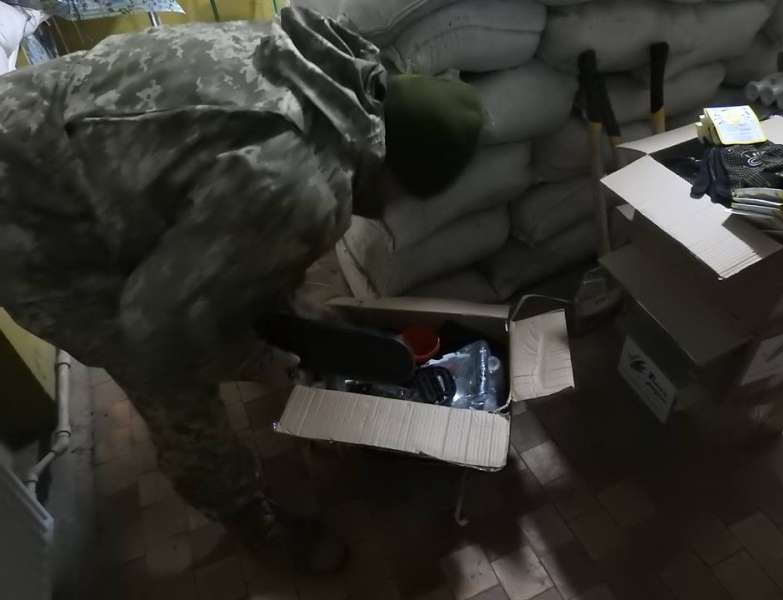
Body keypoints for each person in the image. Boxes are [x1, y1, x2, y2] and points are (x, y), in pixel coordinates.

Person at [0, 7, 484, 573]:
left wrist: (297, 320)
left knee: (238, 282)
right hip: (28, 217)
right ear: (395, 173)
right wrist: (265, 359)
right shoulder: (301, 187)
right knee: (176, 387)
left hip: (31, 115)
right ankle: (258, 527)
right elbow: (153, 327)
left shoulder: (322, 69)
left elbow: (236, 214)